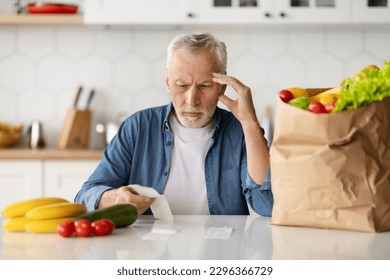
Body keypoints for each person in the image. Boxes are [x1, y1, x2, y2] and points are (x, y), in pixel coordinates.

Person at [75, 33, 273, 216]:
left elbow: (267, 205)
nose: (192, 99)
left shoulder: (241, 131)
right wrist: (115, 198)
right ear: (167, 82)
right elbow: (85, 196)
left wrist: (250, 124)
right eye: (182, 85)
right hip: (151, 249)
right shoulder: (138, 127)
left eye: (204, 86)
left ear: (222, 85)